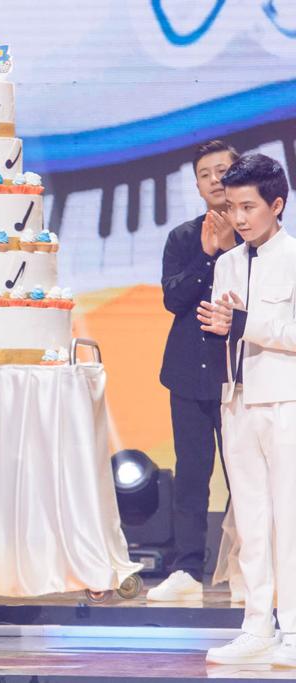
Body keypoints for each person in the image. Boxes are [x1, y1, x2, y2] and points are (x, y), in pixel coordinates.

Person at [198, 153, 294, 666]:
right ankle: (257, 626)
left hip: (286, 401)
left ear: (276, 205)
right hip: (236, 400)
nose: (238, 218)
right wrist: (219, 328)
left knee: (289, 520)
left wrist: (241, 322)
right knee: (252, 523)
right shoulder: (227, 263)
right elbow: (225, 330)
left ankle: (294, 630)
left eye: (248, 207)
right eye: (232, 207)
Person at [152, 140, 242, 602]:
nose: (214, 180)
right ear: (197, 186)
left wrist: (229, 250)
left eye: (222, 170)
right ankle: (187, 569)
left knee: (244, 473)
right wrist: (207, 255)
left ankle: (247, 566)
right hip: (188, 372)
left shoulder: (259, 238)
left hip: (238, 376)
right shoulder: (183, 237)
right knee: (190, 475)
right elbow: (174, 300)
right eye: (205, 174)